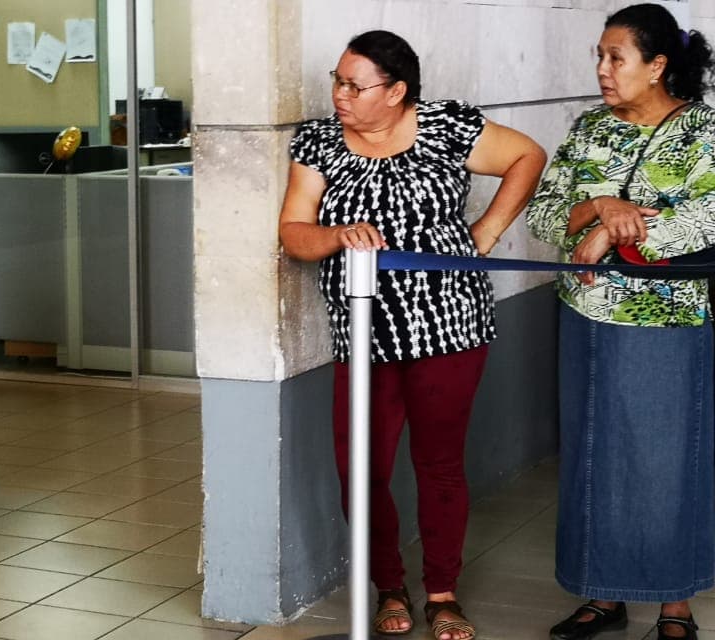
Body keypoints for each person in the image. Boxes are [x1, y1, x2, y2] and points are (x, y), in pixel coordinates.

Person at [278, 30, 546, 640]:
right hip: (364, 332)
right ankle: (388, 585)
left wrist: (485, 232)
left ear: (397, 91)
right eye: (337, 81)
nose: (340, 95)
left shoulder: (447, 127)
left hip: (451, 326)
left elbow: (527, 155)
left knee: (439, 464)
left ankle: (443, 593)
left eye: (355, 85)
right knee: (361, 467)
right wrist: (337, 234)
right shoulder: (319, 142)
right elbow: (294, 231)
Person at [524, 5, 715, 640]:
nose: (603, 71)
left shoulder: (704, 133)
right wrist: (597, 206)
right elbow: (546, 216)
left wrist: (612, 233)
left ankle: (674, 603)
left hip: (669, 324)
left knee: (664, 460)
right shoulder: (588, 130)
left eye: (617, 58)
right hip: (585, 319)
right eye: (599, 57)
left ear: (657, 66)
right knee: (591, 455)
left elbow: (702, 221)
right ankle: (602, 595)